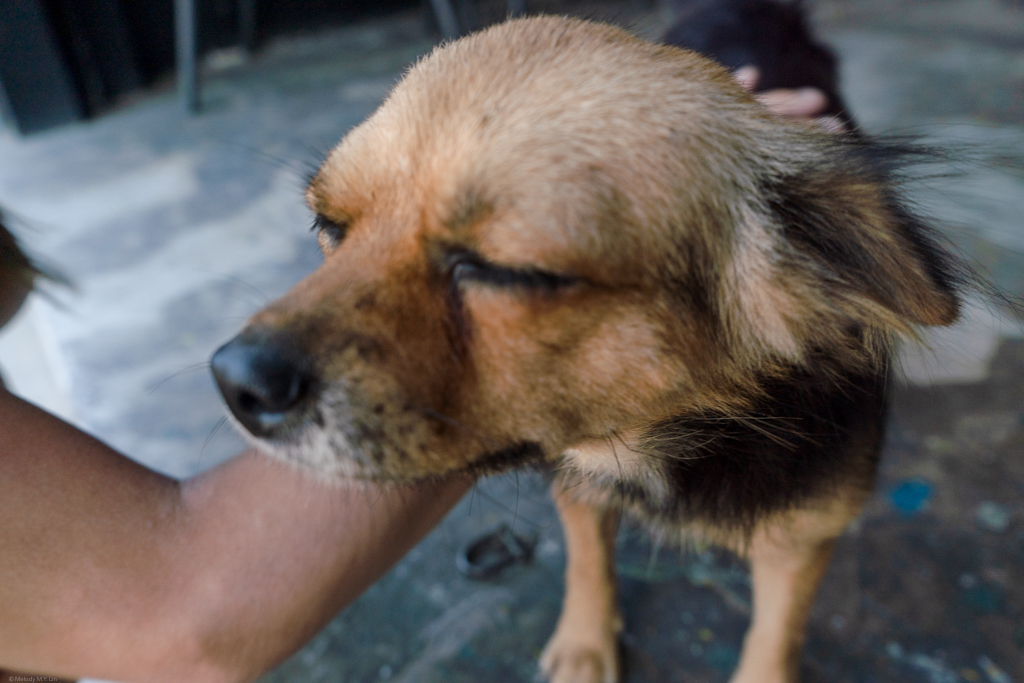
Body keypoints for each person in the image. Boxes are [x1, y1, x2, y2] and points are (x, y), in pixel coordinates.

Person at [0, 73, 841, 683]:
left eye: (500, 264)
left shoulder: (798, 276)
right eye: (336, 222)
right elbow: (177, 617)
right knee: (585, 469)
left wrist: (718, 173)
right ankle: (590, 589)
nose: (252, 357)